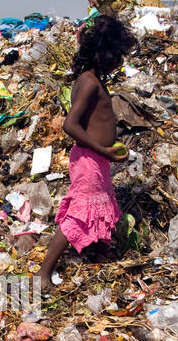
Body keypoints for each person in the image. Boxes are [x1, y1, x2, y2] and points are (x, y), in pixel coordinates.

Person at [36, 15, 137, 288]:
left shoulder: (92, 79)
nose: (119, 62)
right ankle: (43, 274)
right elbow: (71, 124)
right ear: (106, 53)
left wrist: (108, 151)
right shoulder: (90, 82)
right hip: (91, 158)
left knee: (97, 206)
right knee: (78, 215)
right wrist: (102, 149)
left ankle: (95, 251)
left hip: (97, 158)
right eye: (118, 56)